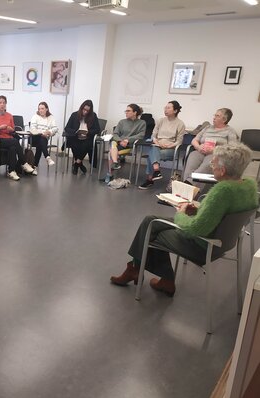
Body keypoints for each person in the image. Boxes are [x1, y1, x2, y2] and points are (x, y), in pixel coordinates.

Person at [110, 142, 258, 296]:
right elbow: (226, 213)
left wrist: (181, 213)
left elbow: (195, 229)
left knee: (151, 229)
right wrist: (199, 210)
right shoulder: (249, 187)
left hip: (203, 246)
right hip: (223, 242)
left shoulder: (223, 191)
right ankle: (152, 276)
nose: (211, 166)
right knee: (151, 221)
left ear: (223, 170)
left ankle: (139, 270)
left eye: (213, 164)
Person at [182, 108, 238, 184]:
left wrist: (215, 149)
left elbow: (232, 148)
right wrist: (198, 147)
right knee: (191, 162)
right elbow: (194, 140)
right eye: (214, 115)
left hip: (216, 154)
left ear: (224, 119)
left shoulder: (230, 131)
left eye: (217, 116)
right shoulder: (207, 128)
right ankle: (188, 186)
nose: (214, 117)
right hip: (200, 151)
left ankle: (187, 184)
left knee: (206, 166)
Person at [138, 101, 186, 189]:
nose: (165, 110)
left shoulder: (180, 124)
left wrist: (168, 146)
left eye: (168, 108)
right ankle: (156, 171)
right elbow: (154, 135)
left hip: (170, 149)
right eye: (165, 107)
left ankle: (150, 179)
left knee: (151, 154)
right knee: (153, 149)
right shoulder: (161, 120)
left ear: (175, 111)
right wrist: (156, 142)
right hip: (158, 146)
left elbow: (179, 141)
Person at [0, 95, 34, 181]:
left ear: (6, 104)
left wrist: (11, 130)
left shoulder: (9, 116)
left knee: (13, 148)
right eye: (0, 102)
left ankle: (11, 171)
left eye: (4, 103)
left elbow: (13, 130)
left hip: (9, 139)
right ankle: (24, 162)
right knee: (14, 141)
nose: (2, 104)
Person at [105, 104, 146, 183]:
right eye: (126, 111)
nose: (126, 112)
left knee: (111, 153)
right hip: (118, 142)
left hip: (129, 145)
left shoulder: (142, 123)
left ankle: (109, 174)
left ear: (135, 112)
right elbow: (115, 134)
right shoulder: (122, 122)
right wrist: (120, 141)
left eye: (128, 111)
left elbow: (141, 135)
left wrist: (127, 140)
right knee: (113, 145)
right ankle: (115, 163)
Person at [64, 99, 100, 175]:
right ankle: (79, 164)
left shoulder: (93, 116)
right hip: (76, 136)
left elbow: (97, 129)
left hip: (87, 137)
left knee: (87, 145)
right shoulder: (74, 115)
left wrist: (88, 132)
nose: (85, 112)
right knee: (73, 143)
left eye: (88, 111)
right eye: (84, 109)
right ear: (81, 108)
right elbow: (67, 128)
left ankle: (76, 164)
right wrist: (75, 132)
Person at [29, 101, 58, 170]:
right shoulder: (35, 116)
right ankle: (47, 157)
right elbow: (33, 129)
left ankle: (34, 167)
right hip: (34, 137)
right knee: (41, 140)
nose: (40, 110)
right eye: (39, 109)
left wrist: (49, 132)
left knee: (40, 144)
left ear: (46, 109)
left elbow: (55, 128)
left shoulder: (51, 117)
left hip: (44, 139)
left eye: (42, 108)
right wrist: (43, 132)